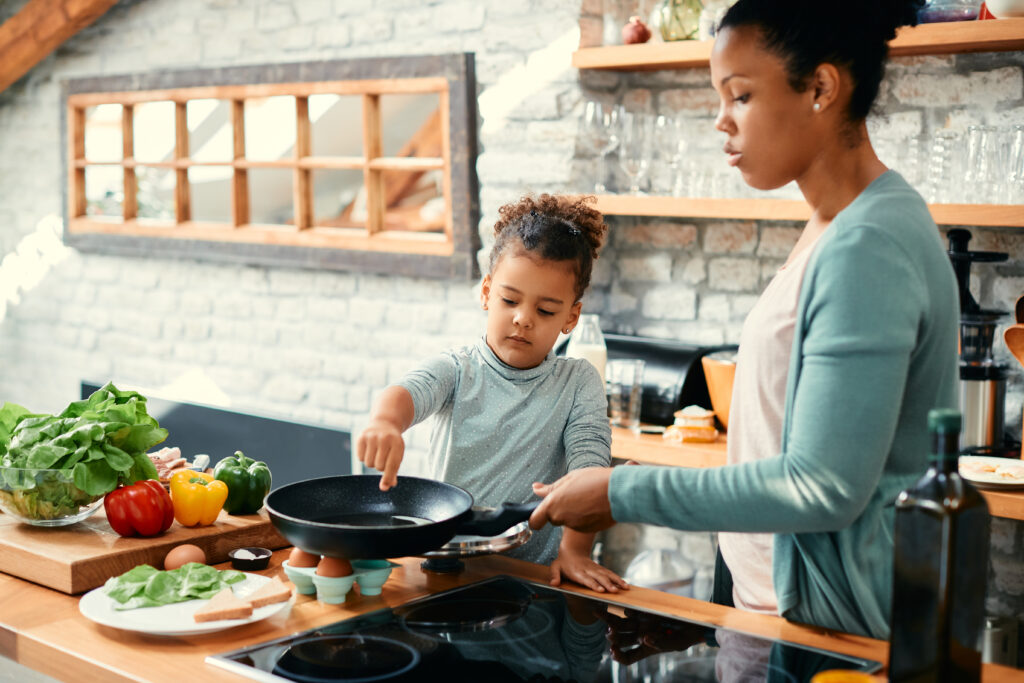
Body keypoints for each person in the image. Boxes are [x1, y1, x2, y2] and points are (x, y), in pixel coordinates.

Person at [529, 0, 958, 639]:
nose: (721, 122)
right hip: (776, 610)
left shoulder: (870, 243)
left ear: (820, 87)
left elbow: (822, 487)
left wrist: (621, 493)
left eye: (741, 96)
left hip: (834, 632)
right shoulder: (840, 223)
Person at [357, 194, 628, 593]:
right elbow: (408, 391)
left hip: (531, 580)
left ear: (571, 316)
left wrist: (575, 552)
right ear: (486, 293)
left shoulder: (578, 382)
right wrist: (385, 422)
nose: (523, 318)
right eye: (509, 300)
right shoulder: (458, 367)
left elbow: (587, 471)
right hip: (443, 571)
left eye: (547, 310)